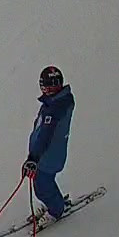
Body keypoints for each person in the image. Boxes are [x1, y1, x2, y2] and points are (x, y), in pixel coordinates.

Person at [26, 66, 76, 220]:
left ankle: (56, 210)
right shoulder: (55, 102)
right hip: (46, 155)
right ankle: (55, 202)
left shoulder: (55, 109)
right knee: (43, 183)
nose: (46, 90)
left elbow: (45, 135)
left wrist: (33, 158)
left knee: (42, 188)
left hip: (48, 156)